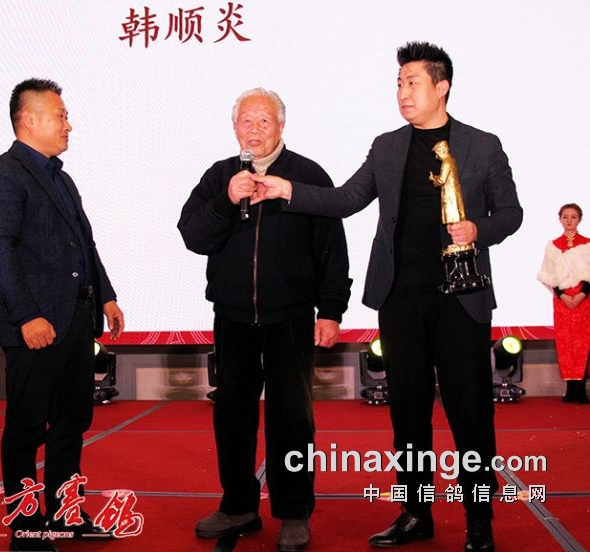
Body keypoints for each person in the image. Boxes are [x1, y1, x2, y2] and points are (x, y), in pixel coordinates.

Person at [256, 42, 522, 552]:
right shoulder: (387, 147)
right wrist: (286, 189)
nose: (402, 92)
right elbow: (347, 199)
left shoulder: (482, 145)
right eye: (399, 83)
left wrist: (478, 229)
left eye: (412, 82)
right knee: (407, 414)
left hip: (461, 298)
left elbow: (511, 213)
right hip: (400, 298)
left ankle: (479, 518)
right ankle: (415, 513)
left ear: (441, 86)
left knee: (470, 412)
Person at [178, 87, 351, 552]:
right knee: (232, 414)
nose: (254, 130)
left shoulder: (307, 175)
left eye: (264, 121)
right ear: (234, 128)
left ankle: (293, 511)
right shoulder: (220, 176)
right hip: (232, 316)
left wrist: (331, 310)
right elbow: (192, 236)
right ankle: (238, 505)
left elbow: (331, 249)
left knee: (291, 417)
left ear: (281, 125)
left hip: (290, 316)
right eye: (246, 121)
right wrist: (225, 201)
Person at [0, 78, 125, 552]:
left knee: (71, 423)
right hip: (35, 326)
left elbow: (85, 243)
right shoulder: (0, 174)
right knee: (26, 429)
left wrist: (106, 296)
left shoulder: (62, 177)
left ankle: (66, 514)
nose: (68, 125)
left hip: (77, 320)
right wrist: (26, 316)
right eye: (61, 116)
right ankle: (26, 528)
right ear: (29, 119)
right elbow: (0, 251)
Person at [537, 203, 590, 403]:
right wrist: (562, 295)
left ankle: (581, 389)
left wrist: (582, 294)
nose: (569, 221)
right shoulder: (553, 246)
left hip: (584, 301)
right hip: (563, 302)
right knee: (565, 342)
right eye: (565, 216)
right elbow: (548, 274)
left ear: (579, 219)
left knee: (583, 342)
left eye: (573, 217)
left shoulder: (587, 244)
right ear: (560, 219)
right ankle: (570, 389)